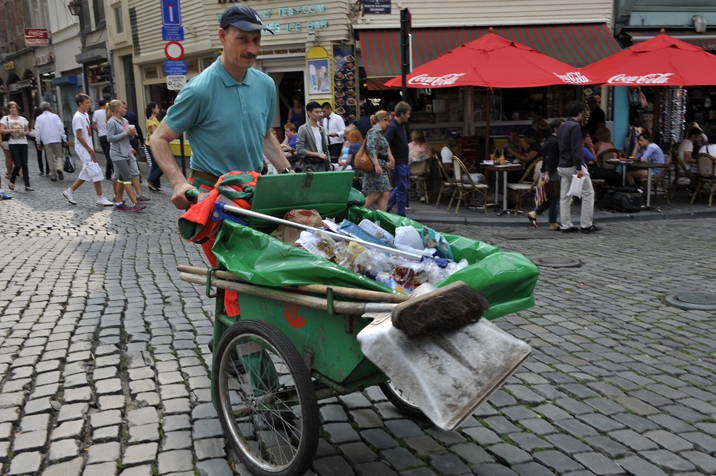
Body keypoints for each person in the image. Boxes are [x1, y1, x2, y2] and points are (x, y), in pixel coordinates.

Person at [150, 3, 293, 211]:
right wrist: (178, 182)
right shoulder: (199, 90)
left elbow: (264, 136)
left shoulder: (266, 85)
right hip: (212, 193)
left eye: (256, 40)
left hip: (254, 189)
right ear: (222, 37)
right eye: (243, 39)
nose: (252, 49)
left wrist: (289, 175)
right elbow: (158, 138)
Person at [61, 94, 114, 206]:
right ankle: (100, 197)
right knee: (96, 171)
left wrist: (91, 146)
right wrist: (89, 149)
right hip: (82, 148)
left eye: (89, 102)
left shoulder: (85, 115)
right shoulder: (77, 117)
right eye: (87, 102)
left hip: (87, 147)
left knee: (87, 171)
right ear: (80, 104)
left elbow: (87, 134)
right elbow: (79, 136)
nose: (89, 105)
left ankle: (69, 191)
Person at [557, 100, 601, 233]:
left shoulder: (563, 126)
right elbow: (576, 148)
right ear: (579, 112)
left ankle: (566, 224)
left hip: (562, 164)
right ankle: (586, 224)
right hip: (572, 165)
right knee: (588, 193)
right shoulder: (575, 126)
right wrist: (579, 167)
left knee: (565, 196)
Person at [105, 99, 147, 212]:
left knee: (121, 179)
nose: (125, 110)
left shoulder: (125, 120)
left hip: (126, 152)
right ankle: (135, 203)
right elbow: (109, 138)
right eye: (123, 108)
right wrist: (126, 133)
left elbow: (127, 138)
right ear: (117, 108)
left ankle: (118, 202)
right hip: (117, 153)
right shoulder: (111, 122)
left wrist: (132, 135)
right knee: (127, 177)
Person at [527, 119, 563, 230]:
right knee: (554, 198)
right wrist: (547, 174)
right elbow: (549, 158)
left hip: (549, 172)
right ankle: (552, 223)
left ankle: (535, 213)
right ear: (556, 129)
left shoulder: (550, 140)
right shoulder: (554, 142)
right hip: (552, 173)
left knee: (553, 198)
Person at [363, 110, 394, 210]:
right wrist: (377, 165)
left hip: (380, 165)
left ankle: (381, 218)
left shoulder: (379, 132)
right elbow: (370, 148)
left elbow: (382, 149)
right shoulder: (374, 132)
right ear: (382, 120)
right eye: (387, 121)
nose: (388, 124)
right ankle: (355, 215)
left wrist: (386, 162)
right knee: (374, 195)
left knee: (385, 192)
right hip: (375, 167)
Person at [0, 102, 33, 192]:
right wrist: (11, 130)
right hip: (13, 143)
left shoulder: (23, 119)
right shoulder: (5, 118)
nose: (12, 109)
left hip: (23, 142)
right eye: (10, 108)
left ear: (17, 108)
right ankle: (12, 180)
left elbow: (28, 131)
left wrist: (24, 133)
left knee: (25, 164)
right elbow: (2, 130)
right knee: (18, 164)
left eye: (14, 107)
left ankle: (27, 184)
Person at [386, 101, 411, 216]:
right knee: (402, 189)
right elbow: (385, 143)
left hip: (402, 161)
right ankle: (401, 214)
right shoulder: (393, 126)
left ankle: (387, 206)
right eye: (407, 113)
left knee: (401, 187)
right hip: (398, 162)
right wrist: (391, 159)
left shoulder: (399, 126)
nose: (408, 116)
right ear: (401, 114)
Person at [34, 102, 67, 182]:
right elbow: (60, 128)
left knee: (49, 158)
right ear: (49, 108)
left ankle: (53, 175)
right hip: (56, 138)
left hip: (46, 140)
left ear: (41, 108)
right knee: (59, 156)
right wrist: (64, 138)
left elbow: (37, 131)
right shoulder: (55, 116)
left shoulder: (39, 118)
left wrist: (38, 141)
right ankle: (59, 168)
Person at [296, 101, 330, 172]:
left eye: (320, 112)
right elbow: (300, 150)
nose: (320, 114)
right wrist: (317, 154)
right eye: (317, 112)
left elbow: (326, 148)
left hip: (323, 165)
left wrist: (329, 163)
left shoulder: (321, 129)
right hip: (310, 166)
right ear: (309, 113)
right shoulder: (303, 128)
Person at [92, 99, 113, 180]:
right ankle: (111, 172)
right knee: (111, 155)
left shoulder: (96, 113)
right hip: (111, 135)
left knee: (108, 155)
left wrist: (98, 131)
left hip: (102, 136)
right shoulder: (109, 112)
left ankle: (109, 173)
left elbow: (93, 125)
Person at [145, 102, 163, 191]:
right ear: (153, 110)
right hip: (153, 145)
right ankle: (151, 179)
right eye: (157, 107)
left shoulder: (149, 119)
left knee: (155, 165)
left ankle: (154, 185)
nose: (158, 109)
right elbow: (155, 134)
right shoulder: (154, 120)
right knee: (162, 165)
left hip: (148, 144)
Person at [29, 106, 48, 178]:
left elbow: (31, 127)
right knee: (47, 154)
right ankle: (48, 170)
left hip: (37, 137)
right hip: (45, 137)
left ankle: (42, 170)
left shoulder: (35, 119)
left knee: (39, 154)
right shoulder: (43, 119)